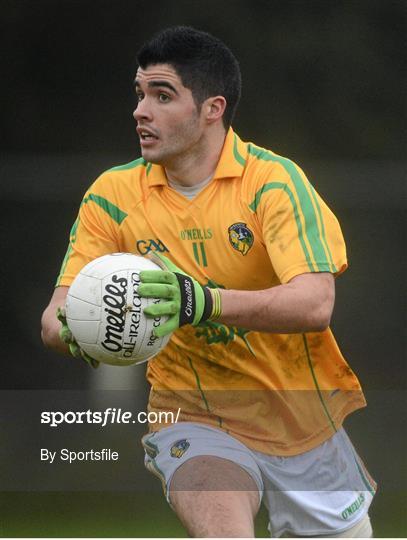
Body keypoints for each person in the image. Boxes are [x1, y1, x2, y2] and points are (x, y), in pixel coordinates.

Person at [41, 26, 376, 538]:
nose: (141, 111)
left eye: (162, 95)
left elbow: (314, 303)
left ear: (212, 109)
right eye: (139, 94)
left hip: (302, 419)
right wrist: (77, 330)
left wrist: (201, 301)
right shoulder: (111, 196)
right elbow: (54, 315)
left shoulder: (274, 182)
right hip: (193, 417)